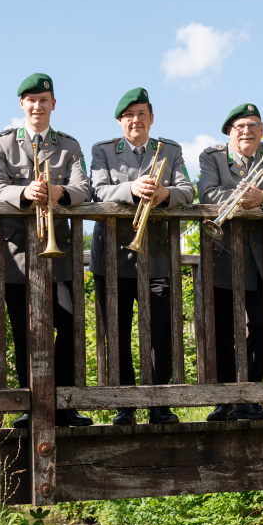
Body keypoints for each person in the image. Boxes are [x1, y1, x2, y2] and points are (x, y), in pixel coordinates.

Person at [0, 73, 93, 428]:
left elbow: (84, 188)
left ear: (53, 104)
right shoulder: (1, 144)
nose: (37, 106)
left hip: (59, 255)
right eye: (31, 100)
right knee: (24, 332)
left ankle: (64, 403)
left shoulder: (69, 145)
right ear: (21, 104)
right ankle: (31, 405)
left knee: (70, 324)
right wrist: (23, 193)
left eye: (43, 100)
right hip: (17, 255)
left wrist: (59, 192)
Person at [89, 88, 195, 425]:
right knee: (117, 331)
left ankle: (159, 402)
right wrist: (130, 189)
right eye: (129, 115)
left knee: (159, 331)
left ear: (151, 118)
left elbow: (189, 192)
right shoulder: (103, 151)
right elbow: (97, 190)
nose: (136, 120)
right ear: (121, 121)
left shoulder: (171, 150)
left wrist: (165, 193)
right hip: (112, 257)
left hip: (157, 259)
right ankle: (125, 404)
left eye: (142, 114)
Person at [198, 103, 263, 421]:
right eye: (240, 126)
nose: (247, 131)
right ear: (229, 132)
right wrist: (240, 198)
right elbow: (207, 192)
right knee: (222, 327)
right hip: (224, 253)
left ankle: (250, 397)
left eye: (253, 125)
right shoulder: (212, 156)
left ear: (262, 130)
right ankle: (226, 398)